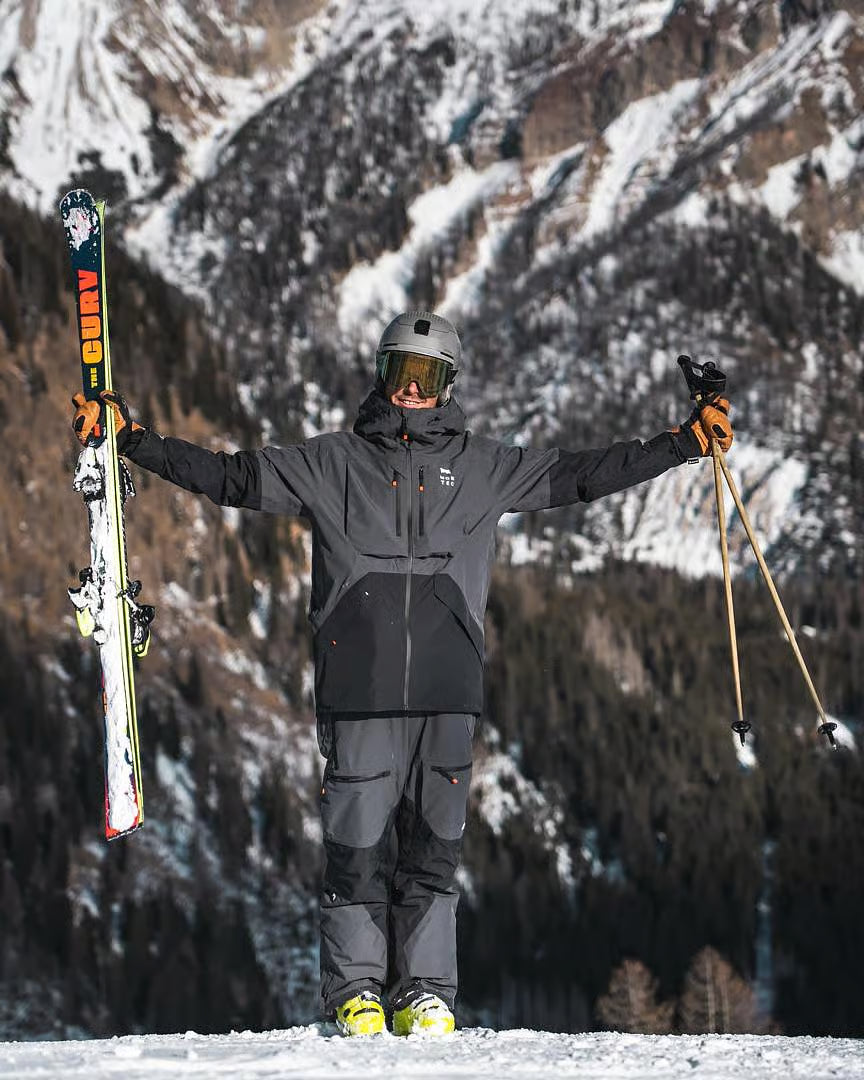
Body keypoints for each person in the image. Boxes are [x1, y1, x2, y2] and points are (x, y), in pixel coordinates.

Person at [72, 311, 732, 1036]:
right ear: (382, 374)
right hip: (359, 690)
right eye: (400, 372)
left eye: (427, 376)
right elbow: (231, 477)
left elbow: (583, 475)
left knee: (433, 852)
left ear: (449, 385)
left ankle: (425, 992)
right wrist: (133, 439)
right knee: (356, 850)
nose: (412, 390)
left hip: (449, 694)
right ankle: (355, 990)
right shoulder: (332, 462)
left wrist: (681, 444)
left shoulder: (486, 467)